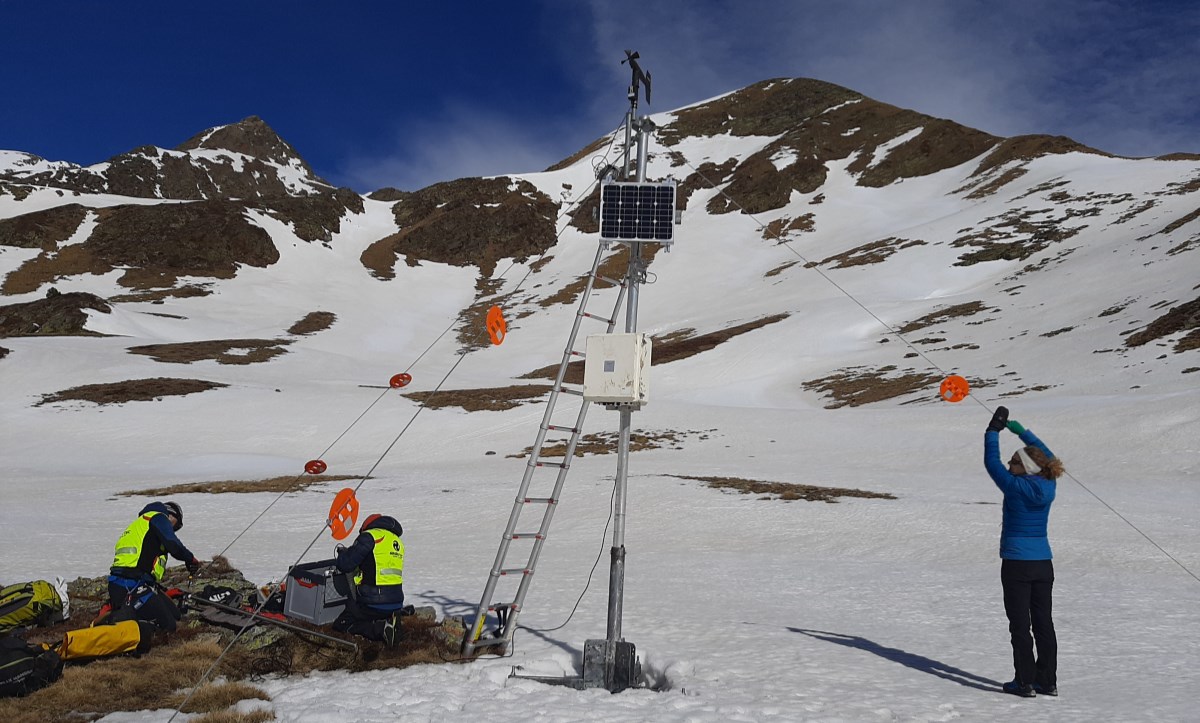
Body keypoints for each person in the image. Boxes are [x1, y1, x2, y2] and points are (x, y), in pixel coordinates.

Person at [984, 406, 1065, 698]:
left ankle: (1025, 681)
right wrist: (1020, 432)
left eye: (1015, 461)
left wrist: (993, 431)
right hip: (1043, 563)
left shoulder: (1013, 486)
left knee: (1020, 624)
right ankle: (1048, 681)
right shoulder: (1048, 483)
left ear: (1026, 468)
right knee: (1043, 622)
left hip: (1017, 563)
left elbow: (990, 461)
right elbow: (1047, 457)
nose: (1009, 462)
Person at [108, 501, 202, 632]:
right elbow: (173, 545)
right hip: (132, 585)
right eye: (177, 525)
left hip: (122, 584)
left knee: (175, 615)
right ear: (171, 515)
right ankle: (128, 627)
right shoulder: (158, 517)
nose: (174, 529)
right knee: (169, 625)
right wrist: (190, 559)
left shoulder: (139, 525)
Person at [332, 513, 406, 646]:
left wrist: (344, 554)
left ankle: (380, 629)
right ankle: (391, 624)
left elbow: (345, 565)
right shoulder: (396, 541)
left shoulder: (369, 536)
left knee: (342, 624)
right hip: (396, 602)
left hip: (373, 602)